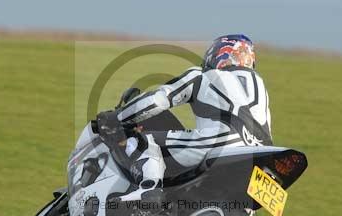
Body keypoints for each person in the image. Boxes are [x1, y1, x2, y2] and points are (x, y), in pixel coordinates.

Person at [99, 34, 272, 202]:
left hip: (221, 143)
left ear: (217, 55)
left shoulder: (202, 75)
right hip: (263, 153)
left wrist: (116, 117)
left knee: (144, 141)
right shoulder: (260, 85)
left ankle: (148, 192)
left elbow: (156, 101)